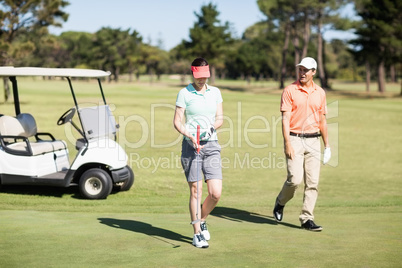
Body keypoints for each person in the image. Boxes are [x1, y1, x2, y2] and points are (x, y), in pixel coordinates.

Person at [273, 57, 331, 231]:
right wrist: (287, 143)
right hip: (295, 138)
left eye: (306, 70)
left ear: (314, 72)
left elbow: (322, 120)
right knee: (294, 179)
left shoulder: (320, 93)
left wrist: (327, 145)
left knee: (312, 183)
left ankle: (307, 219)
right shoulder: (290, 90)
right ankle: (280, 201)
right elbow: (285, 119)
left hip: (314, 140)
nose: (302, 73)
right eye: (300, 69)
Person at [173, 57, 223, 248]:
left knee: (215, 193)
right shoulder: (184, 93)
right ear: (193, 73)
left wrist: (212, 128)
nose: (202, 80)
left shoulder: (215, 92)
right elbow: (177, 121)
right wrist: (188, 134)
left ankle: (201, 219)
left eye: (205, 76)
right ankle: (196, 234)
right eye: (198, 76)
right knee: (196, 190)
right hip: (191, 146)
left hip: (211, 146)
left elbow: (219, 118)